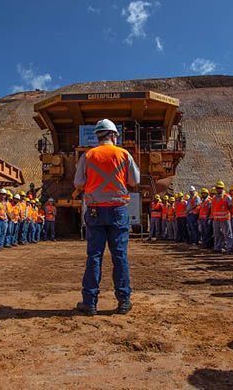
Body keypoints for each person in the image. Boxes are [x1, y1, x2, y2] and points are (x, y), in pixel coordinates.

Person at [73, 119, 140, 316]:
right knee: (120, 256)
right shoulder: (123, 154)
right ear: (113, 135)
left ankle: (90, 303)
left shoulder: (89, 155)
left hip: (95, 211)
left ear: (98, 136)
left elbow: (78, 182)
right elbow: (134, 181)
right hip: (118, 210)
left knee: (94, 256)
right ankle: (123, 301)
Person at [211, 181, 232, 253]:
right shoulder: (214, 198)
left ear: (223, 188)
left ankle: (229, 248)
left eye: (220, 188)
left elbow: (231, 207)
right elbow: (213, 208)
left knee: (227, 234)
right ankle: (217, 247)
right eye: (218, 188)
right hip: (216, 219)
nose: (219, 189)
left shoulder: (227, 197)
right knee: (217, 234)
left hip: (225, 219)